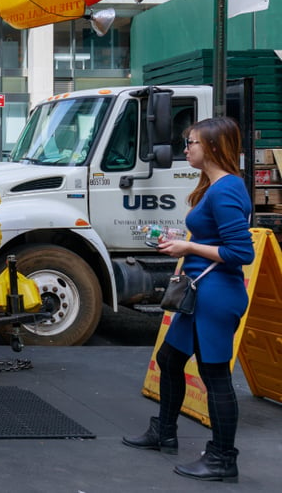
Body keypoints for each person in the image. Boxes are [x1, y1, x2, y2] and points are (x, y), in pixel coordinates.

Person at [122, 117, 254, 483]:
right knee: (169, 358)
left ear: (212, 147)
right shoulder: (218, 186)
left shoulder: (225, 189)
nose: (186, 148)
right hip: (201, 291)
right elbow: (217, 237)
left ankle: (223, 459)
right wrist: (181, 239)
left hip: (214, 295)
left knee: (215, 376)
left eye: (191, 142)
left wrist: (187, 245)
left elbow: (241, 252)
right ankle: (164, 431)